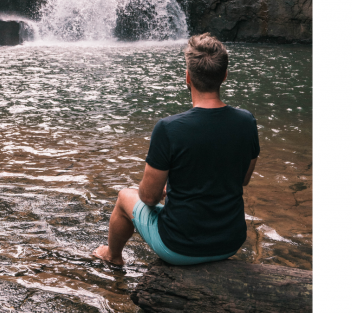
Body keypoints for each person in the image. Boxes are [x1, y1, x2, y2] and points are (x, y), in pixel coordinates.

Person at [93, 33, 259, 266]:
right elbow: (242, 179)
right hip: (230, 242)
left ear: (188, 76)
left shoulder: (169, 128)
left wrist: (162, 189)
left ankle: (112, 255)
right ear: (224, 76)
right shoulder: (247, 122)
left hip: (180, 247)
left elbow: (148, 198)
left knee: (123, 197)